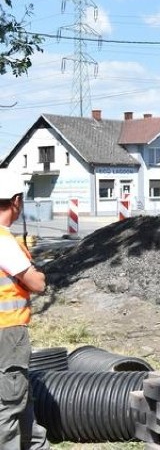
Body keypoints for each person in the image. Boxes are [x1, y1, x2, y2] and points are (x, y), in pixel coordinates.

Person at [0, 178, 49, 450]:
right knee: (8, 404)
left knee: (18, 395)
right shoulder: (4, 241)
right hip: (7, 332)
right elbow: (37, 284)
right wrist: (37, 271)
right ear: (16, 201)